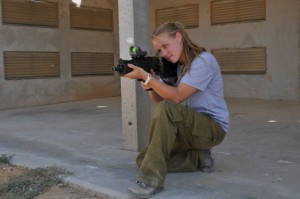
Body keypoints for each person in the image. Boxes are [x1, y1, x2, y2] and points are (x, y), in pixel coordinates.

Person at [124, 22, 230, 198]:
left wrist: (148, 78)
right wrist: (149, 85)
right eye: (159, 50)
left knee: (168, 108)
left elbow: (176, 97)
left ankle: (150, 180)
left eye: (165, 46)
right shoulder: (176, 67)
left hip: (212, 128)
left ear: (179, 37)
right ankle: (197, 157)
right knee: (144, 159)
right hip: (188, 128)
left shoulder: (204, 61)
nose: (163, 53)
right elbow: (159, 101)